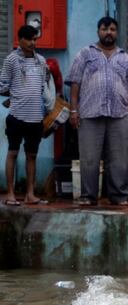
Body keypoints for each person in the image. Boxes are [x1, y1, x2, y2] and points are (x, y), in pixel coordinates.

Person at [67, 16, 128, 206]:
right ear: (98, 31)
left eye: (113, 29)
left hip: (119, 116)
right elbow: (74, 83)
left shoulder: (124, 56)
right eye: (104, 29)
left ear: (116, 33)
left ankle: (119, 196)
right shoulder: (85, 54)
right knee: (89, 159)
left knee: (119, 160)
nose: (109, 32)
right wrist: (73, 111)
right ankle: (88, 196)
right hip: (90, 115)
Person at [0, 25, 49, 206]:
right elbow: (2, 85)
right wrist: (13, 96)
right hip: (17, 116)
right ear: (19, 40)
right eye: (29, 39)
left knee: (32, 156)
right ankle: (10, 194)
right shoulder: (11, 60)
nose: (32, 43)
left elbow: (43, 88)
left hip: (36, 118)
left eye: (35, 39)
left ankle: (30, 194)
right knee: (12, 152)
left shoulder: (41, 61)